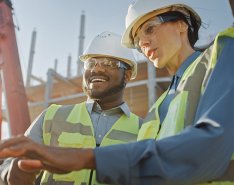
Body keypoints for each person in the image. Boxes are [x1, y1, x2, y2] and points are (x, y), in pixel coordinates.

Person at [0, 0, 234, 185]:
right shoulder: (158, 109)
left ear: (182, 23)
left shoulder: (221, 53)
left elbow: (209, 149)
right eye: (139, 40)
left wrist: (85, 158)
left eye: (150, 29)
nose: (145, 44)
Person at [0, 31, 142, 185]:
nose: (97, 69)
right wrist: (10, 172)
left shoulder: (144, 130)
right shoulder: (52, 117)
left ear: (127, 75)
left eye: (108, 64)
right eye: (91, 63)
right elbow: (12, 162)